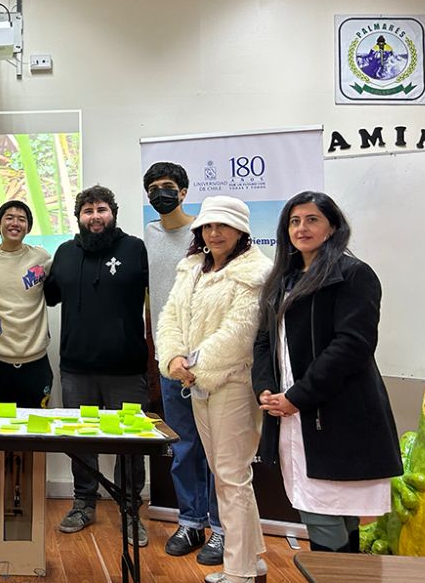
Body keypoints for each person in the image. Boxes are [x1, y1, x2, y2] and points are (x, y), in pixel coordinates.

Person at [253, 192, 401, 554]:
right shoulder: (281, 280)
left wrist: (297, 397)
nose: (301, 228)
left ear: (332, 226)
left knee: (329, 516)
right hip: (289, 413)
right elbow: (263, 341)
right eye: (294, 221)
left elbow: (352, 345)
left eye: (312, 219)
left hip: (335, 415)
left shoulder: (353, 274)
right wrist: (267, 389)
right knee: (326, 514)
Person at [156, 196, 272, 583]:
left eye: (223, 225)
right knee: (230, 476)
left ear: (241, 230)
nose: (215, 232)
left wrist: (194, 365)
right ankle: (252, 560)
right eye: (208, 225)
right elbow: (170, 316)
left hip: (233, 384)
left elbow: (240, 333)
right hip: (197, 383)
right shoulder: (190, 267)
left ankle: (237, 571)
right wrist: (173, 358)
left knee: (231, 475)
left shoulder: (255, 272)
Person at [44, 185, 150, 544]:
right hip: (76, 368)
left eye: (101, 209)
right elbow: (48, 296)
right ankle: (83, 503)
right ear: (78, 217)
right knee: (81, 439)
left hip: (127, 368)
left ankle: (130, 510)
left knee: (131, 442)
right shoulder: (64, 253)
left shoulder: (135, 248)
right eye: (87, 210)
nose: (95, 216)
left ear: (113, 213)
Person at [143, 163, 223, 564]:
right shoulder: (149, 236)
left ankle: (223, 529)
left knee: (219, 448)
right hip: (170, 362)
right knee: (185, 445)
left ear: (185, 191)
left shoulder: (206, 234)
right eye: (154, 188)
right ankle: (191, 521)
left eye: (169, 187)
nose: (162, 194)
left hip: (210, 361)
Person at [0, 200, 52, 408]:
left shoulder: (42, 257)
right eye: (9, 218)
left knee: (36, 426)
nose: (15, 223)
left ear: (28, 227)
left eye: (22, 219)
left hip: (36, 361)